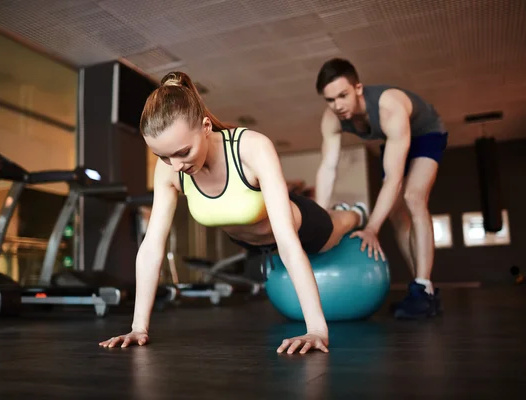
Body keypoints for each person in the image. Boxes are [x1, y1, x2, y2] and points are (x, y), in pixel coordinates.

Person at [99, 71, 369, 354]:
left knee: (340, 224)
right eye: (163, 156)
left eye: (183, 152)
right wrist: (138, 327)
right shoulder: (170, 170)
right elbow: (152, 246)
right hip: (251, 240)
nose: (175, 165)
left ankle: (354, 213)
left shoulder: (251, 148)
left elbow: (288, 241)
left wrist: (316, 330)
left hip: (304, 228)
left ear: (205, 126)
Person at [314, 58, 447, 319]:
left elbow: (393, 180)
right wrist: (318, 216)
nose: (337, 106)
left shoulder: (389, 108)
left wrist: (372, 228)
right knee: (397, 214)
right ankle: (422, 287)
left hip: (427, 134)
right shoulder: (331, 119)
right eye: (330, 100)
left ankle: (423, 288)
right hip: (395, 140)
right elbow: (328, 167)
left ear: (358, 88)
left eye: (343, 95)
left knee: (413, 197)